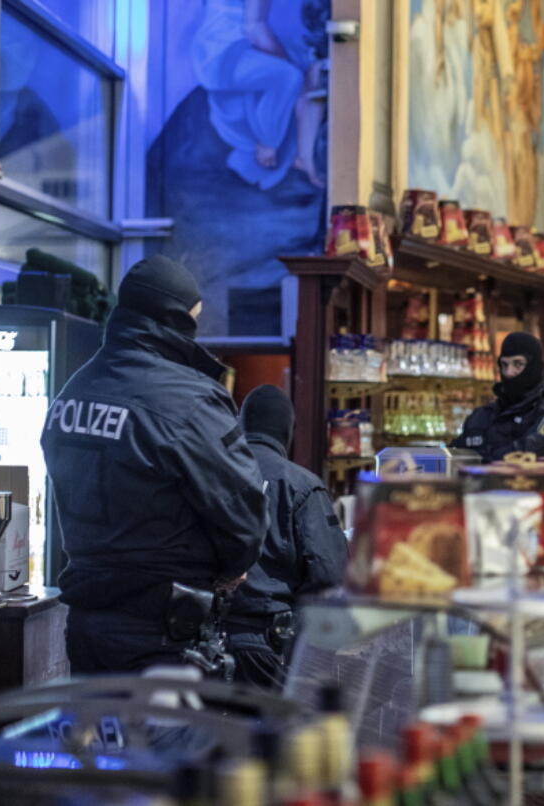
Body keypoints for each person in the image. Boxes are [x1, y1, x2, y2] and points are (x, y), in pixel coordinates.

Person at [42, 255, 269, 674]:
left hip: (86, 623)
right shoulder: (189, 399)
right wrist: (232, 568)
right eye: (194, 318)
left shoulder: (72, 392)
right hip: (163, 630)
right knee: (164, 738)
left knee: (101, 736)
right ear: (175, 319)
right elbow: (242, 511)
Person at [226, 384, 348, 690]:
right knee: (276, 736)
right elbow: (329, 575)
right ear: (286, 430)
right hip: (269, 645)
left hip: (206, 643)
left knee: (212, 735)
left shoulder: (212, 471)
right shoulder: (302, 485)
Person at [451, 333, 544, 462]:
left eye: (518, 364)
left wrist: (481, 457)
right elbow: (454, 454)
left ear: (534, 367)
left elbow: (521, 456)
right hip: (481, 482)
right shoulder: (482, 416)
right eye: (504, 365)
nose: (509, 373)